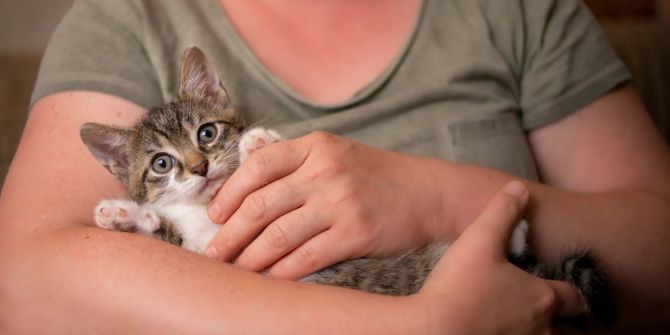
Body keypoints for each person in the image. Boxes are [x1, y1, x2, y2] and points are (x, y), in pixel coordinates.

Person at [0, 0, 668, 333]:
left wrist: (439, 198)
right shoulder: (125, 18)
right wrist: (411, 329)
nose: (202, 161)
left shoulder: (518, 10)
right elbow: (22, 286)